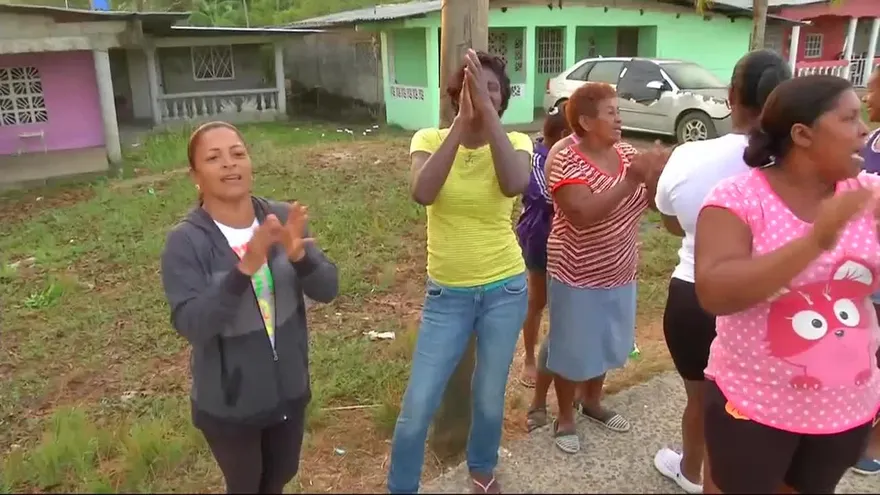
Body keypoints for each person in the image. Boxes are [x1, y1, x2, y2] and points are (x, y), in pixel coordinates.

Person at [694, 75, 880, 494]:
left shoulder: (867, 194)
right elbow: (714, 290)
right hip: (755, 403)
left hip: (844, 407)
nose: (864, 130)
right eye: (849, 118)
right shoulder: (739, 198)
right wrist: (815, 241)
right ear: (803, 134)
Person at [160, 122, 339, 494]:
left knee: (279, 476)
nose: (230, 164)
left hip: (288, 388)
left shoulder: (279, 217)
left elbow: (328, 289)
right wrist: (245, 267)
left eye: (238, 153)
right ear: (195, 175)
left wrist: (300, 256)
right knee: (245, 485)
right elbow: (193, 324)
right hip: (230, 403)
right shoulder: (187, 242)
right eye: (214, 158)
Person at [387, 49, 532, 495]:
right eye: (473, 85)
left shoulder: (518, 143)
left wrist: (487, 119)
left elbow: (514, 184)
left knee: (488, 395)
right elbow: (423, 191)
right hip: (446, 297)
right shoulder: (429, 138)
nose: (484, 94)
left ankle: (483, 468)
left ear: (504, 100)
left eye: (493, 88)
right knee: (418, 404)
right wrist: (459, 128)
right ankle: (401, 487)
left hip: (504, 290)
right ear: (455, 94)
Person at [652, 49, 791, 493]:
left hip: (695, 293)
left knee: (701, 400)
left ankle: (692, 471)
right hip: (768, 298)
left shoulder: (689, 156)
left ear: (731, 96)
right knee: (759, 406)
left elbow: (672, 224)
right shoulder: (800, 164)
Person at [544, 82, 668, 454]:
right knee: (571, 347)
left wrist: (657, 175)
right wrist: (632, 178)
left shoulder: (628, 153)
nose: (619, 118)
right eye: (610, 112)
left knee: (605, 340)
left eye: (619, 111)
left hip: (619, 269)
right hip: (575, 274)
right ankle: (564, 416)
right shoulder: (565, 159)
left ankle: (592, 402)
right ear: (584, 120)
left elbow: (653, 206)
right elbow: (581, 214)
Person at [517, 103, 572, 392]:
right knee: (537, 300)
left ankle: (560, 360)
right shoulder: (536, 160)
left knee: (566, 303)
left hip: (568, 240)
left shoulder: (571, 157)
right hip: (539, 237)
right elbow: (550, 198)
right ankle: (528, 357)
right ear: (563, 134)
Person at [853, 64, 880, 476]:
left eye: (873, 89)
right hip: (862, 270)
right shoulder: (873, 138)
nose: (867, 97)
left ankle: (873, 446)